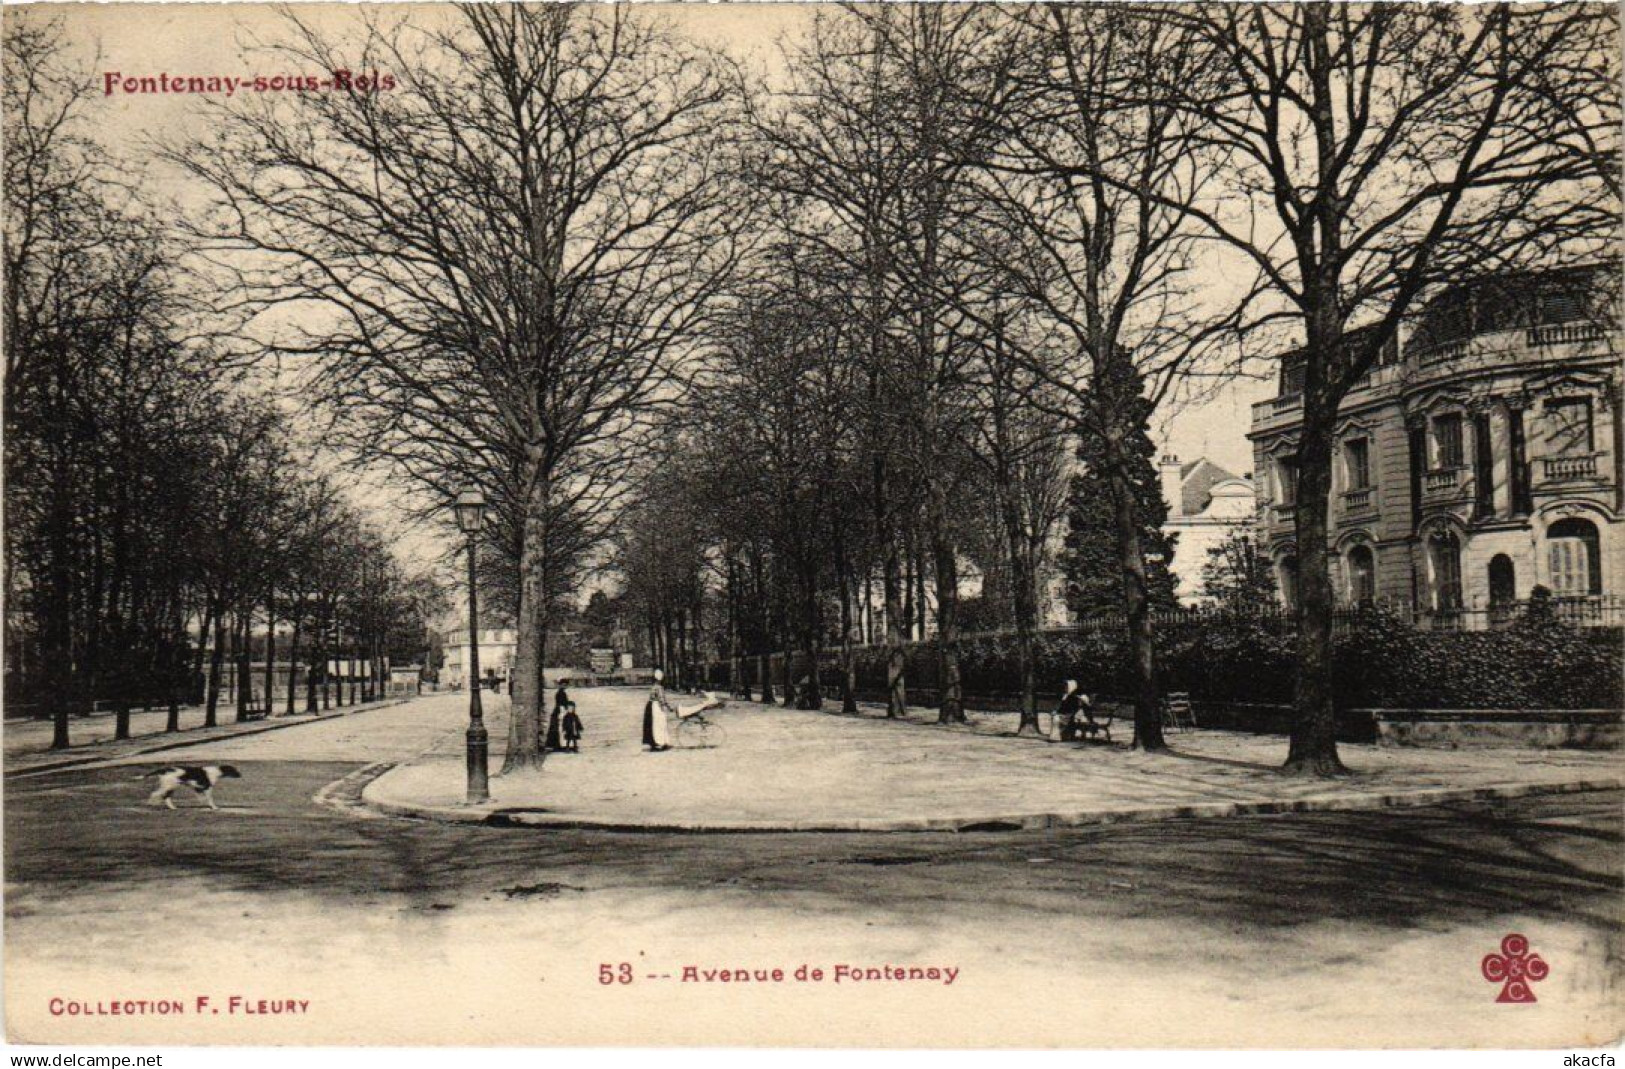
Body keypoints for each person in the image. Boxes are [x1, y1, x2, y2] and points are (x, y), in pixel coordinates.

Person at [642, 670, 673, 752]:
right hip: (657, 707)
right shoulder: (659, 687)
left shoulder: (654, 686)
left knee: (654, 725)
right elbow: (661, 699)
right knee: (660, 724)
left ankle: (656, 742)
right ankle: (660, 742)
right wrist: (668, 707)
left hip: (651, 706)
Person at [545, 686, 571, 751]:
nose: (565, 686)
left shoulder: (560, 693)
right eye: (564, 684)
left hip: (558, 710)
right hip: (559, 710)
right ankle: (555, 744)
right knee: (557, 727)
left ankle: (553, 744)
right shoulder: (561, 693)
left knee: (555, 727)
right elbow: (563, 703)